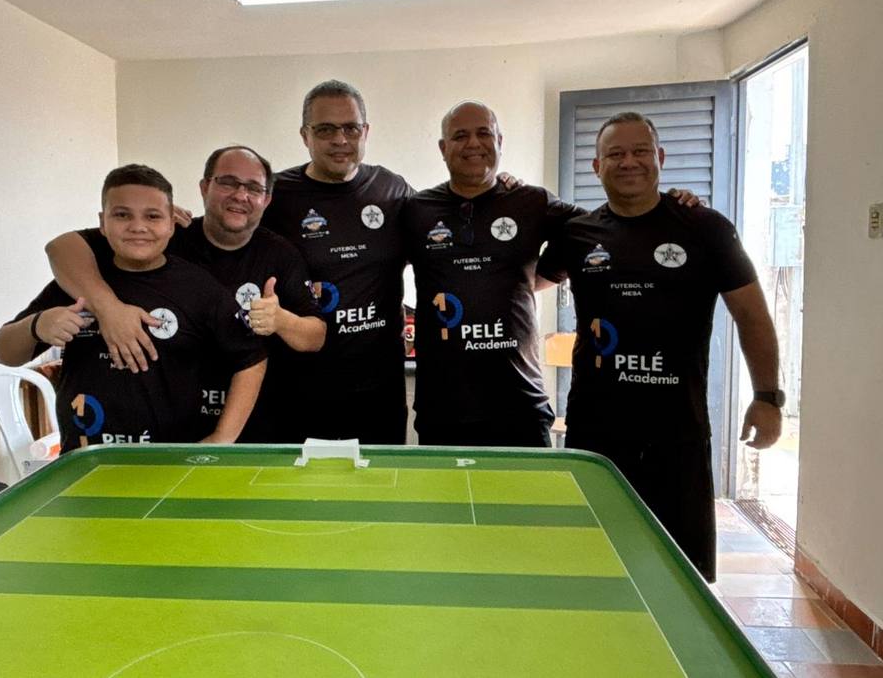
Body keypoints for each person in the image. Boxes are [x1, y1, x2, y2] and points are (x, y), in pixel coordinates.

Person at [537, 111, 782, 582]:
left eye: (640, 151)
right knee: (595, 566)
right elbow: (523, 283)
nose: (628, 162)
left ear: (660, 158)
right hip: (596, 434)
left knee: (681, 575)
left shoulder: (705, 228)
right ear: (597, 166)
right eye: (615, 154)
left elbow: (752, 315)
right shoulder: (577, 234)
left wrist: (768, 397)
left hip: (677, 433)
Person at [44, 147, 325, 442]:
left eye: (254, 188)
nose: (240, 195)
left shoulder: (280, 254)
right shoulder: (163, 236)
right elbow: (61, 247)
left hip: (251, 424)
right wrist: (108, 309)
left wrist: (280, 320)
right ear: (204, 187)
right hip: (171, 429)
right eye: (228, 182)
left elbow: (314, 337)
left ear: (266, 199)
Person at [0, 164, 268, 450]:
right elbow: (3, 352)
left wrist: (222, 438)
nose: (138, 227)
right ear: (102, 223)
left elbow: (251, 358)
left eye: (153, 216)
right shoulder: (77, 283)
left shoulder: (198, 288)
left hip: (172, 460)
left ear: (171, 224)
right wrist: (37, 325)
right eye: (122, 215)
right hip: (88, 459)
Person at [403, 101, 585, 447]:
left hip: (520, 405)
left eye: (484, 133)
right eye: (460, 135)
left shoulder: (531, 201)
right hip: (443, 409)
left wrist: (538, 278)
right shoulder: (416, 210)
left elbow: (594, 231)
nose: (473, 143)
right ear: (443, 148)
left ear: (499, 141)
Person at [260, 80, 415, 444]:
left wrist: (501, 189)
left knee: (380, 480)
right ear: (305, 135)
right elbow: (222, 237)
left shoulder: (393, 190)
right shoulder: (275, 196)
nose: (340, 140)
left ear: (366, 131)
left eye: (351, 128)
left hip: (379, 393)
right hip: (297, 392)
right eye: (325, 129)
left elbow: (444, 231)